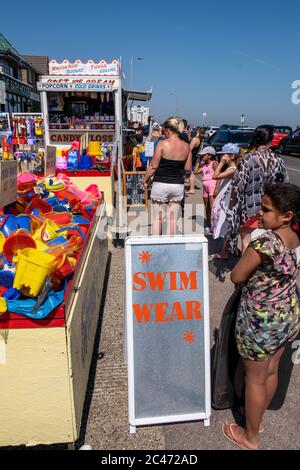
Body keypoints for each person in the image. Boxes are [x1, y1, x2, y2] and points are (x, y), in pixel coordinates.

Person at [223, 183, 300, 450]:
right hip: (287, 315)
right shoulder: (294, 237)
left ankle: (250, 436)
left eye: (266, 210)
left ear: (286, 216)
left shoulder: (265, 241)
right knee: (271, 371)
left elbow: (237, 275)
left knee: (254, 378)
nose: (260, 212)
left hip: (260, 320)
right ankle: (258, 419)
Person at [220, 125, 288, 254]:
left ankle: (247, 270)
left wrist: (233, 211)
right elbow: (285, 184)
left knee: (246, 240)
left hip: (250, 208)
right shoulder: (279, 160)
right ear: (270, 140)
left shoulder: (249, 159)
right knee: (267, 240)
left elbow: (238, 186)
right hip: (272, 208)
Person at [141, 116, 191, 235]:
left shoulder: (162, 144)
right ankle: (170, 247)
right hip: (177, 185)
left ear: (168, 130)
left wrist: (145, 179)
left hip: (161, 184)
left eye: (164, 131)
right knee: (172, 220)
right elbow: (188, 168)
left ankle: (157, 246)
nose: (164, 133)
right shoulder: (186, 146)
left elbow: (153, 166)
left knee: (158, 219)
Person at [210, 143, 241, 259]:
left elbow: (215, 176)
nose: (222, 157)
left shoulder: (233, 169)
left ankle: (224, 252)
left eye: (224, 155)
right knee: (226, 223)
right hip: (226, 197)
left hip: (228, 200)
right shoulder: (231, 168)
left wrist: (222, 163)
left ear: (231, 156)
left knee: (227, 223)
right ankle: (228, 249)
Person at [195, 146, 218, 234]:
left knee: (212, 207)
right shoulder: (204, 165)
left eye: (203, 155)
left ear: (209, 155)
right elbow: (196, 172)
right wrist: (199, 161)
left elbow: (218, 176)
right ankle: (208, 225)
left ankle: (214, 225)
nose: (201, 156)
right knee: (207, 207)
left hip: (212, 186)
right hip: (205, 188)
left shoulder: (214, 163)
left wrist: (217, 188)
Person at [186, 127, 205, 195]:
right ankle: (192, 188)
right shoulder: (200, 139)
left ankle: (191, 189)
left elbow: (189, 149)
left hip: (191, 157)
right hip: (194, 158)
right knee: (192, 173)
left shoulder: (195, 139)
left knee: (190, 173)